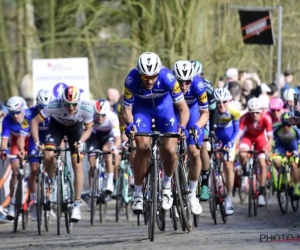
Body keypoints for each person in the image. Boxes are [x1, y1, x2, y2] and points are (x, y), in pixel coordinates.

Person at [122, 52, 190, 214]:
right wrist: (130, 124)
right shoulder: (131, 79)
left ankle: (167, 186)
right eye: (145, 77)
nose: (150, 80)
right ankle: (138, 193)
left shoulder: (167, 77)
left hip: (165, 110)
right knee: (142, 148)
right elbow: (126, 109)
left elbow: (183, 108)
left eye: (153, 76)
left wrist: (183, 126)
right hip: (142, 111)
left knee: (170, 150)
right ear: (139, 73)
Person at [30, 86, 93, 222]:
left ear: (79, 102)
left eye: (74, 105)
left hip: (76, 130)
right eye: (68, 105)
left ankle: (76, 203)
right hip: (56, 127)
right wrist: (36, 141)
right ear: (62, 101)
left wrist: (81, 141)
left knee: (77, 162)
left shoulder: (86, 108)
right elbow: (34, 122)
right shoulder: (54, 105)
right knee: (48, 154)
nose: (71, 108)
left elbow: (88, 129)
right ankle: (52, 181)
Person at [173, 60, 209, 215]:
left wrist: (196, 126)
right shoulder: (170, 84)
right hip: (175, 111)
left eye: (188, 81)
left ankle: (193, 194)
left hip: (194, 112)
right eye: (181, 82)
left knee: (194, 152)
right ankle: (168, 189)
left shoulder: (199, 85)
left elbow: (205, 113)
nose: (184, 86)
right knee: (169, 148)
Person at [18, 90, 53, 220]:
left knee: (52, 162)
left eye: (46, 108)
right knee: (34, 169)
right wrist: (22, 150)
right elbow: (22, 136)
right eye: (41, 107)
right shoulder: (28, 113)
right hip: (35, 138)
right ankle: (34, 201)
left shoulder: (54, 112)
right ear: (37, 104)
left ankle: (51, 189)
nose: (43, 110)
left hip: (49, 138)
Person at [86, 99, 121, 211]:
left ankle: (109, 183)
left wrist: (115, 147)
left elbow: (117, 138)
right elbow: (84, 132)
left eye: (102, 116)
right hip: (94, 137)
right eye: (97, 115)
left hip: (107, 138)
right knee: (91, 163)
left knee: (107, 151)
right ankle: (92, 192)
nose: (99, 118)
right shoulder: (90, 116)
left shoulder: (112, 117)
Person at [0, 96, 31, 220]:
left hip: (30, 142)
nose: (16, 116)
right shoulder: (7, 119)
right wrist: (3, 151)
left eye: (18, 112)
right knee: (15, 171)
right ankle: (12, 204)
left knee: (35, 168)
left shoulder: (29, 115)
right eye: (12, 113)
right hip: (16, 144)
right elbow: (4, 140)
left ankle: (36, 199)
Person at [190, 59, 217, 201]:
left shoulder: (206, 87)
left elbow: (213, 111)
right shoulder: (181, 84)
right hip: (188, 115)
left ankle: (205, 184)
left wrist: (211, 131)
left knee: (203, 147)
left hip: (203, 116)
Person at [239, 97, 273, 206]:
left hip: (260, 139)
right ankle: (244, 172)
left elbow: (270, 139)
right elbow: (238, 135)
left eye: (257, 113)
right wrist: (235, 148)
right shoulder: (244, 118)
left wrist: (267, 147)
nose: (254, 115)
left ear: (261, 111)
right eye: (252, 113)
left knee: (262, 163)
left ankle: (261, 193)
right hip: (248, 137)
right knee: (242, 152)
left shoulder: (267, 118)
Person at [214, 88, 241, 215]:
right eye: (218, 102)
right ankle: (213, 181)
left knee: (228, 166)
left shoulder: (234, 112)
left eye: (224, 102)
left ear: (228, 101)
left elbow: (236, 131)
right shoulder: (212, 111)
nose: (221, 105)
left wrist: (230, 143)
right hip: (215, 138)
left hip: (229, 139)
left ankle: (229, 199)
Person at [272, 112, 300, 197]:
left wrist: (296, 152)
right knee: (276, 161)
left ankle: (296, 187)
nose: (286, 127)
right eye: (284, 125)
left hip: (293, 145)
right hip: (281, 146)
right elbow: (271, 141)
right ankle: (283, 179)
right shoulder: (276, 129)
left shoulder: (296, 131)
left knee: (294, 163)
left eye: (288, 125)